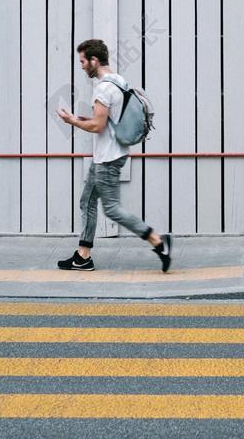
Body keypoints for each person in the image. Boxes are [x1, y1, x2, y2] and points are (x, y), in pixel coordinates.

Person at [56, 38, 172, 272]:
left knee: (111, 209)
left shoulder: (103, 88)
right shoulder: (119, 81)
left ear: (93, 60)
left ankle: (158, 241)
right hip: (105, 155)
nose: (81, 66)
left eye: (82, 61)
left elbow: (98, 127)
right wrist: (79, 118)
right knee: (87, 201)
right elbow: (107, 121)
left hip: (108, 158)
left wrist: (71, 122)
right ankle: (83, 256)